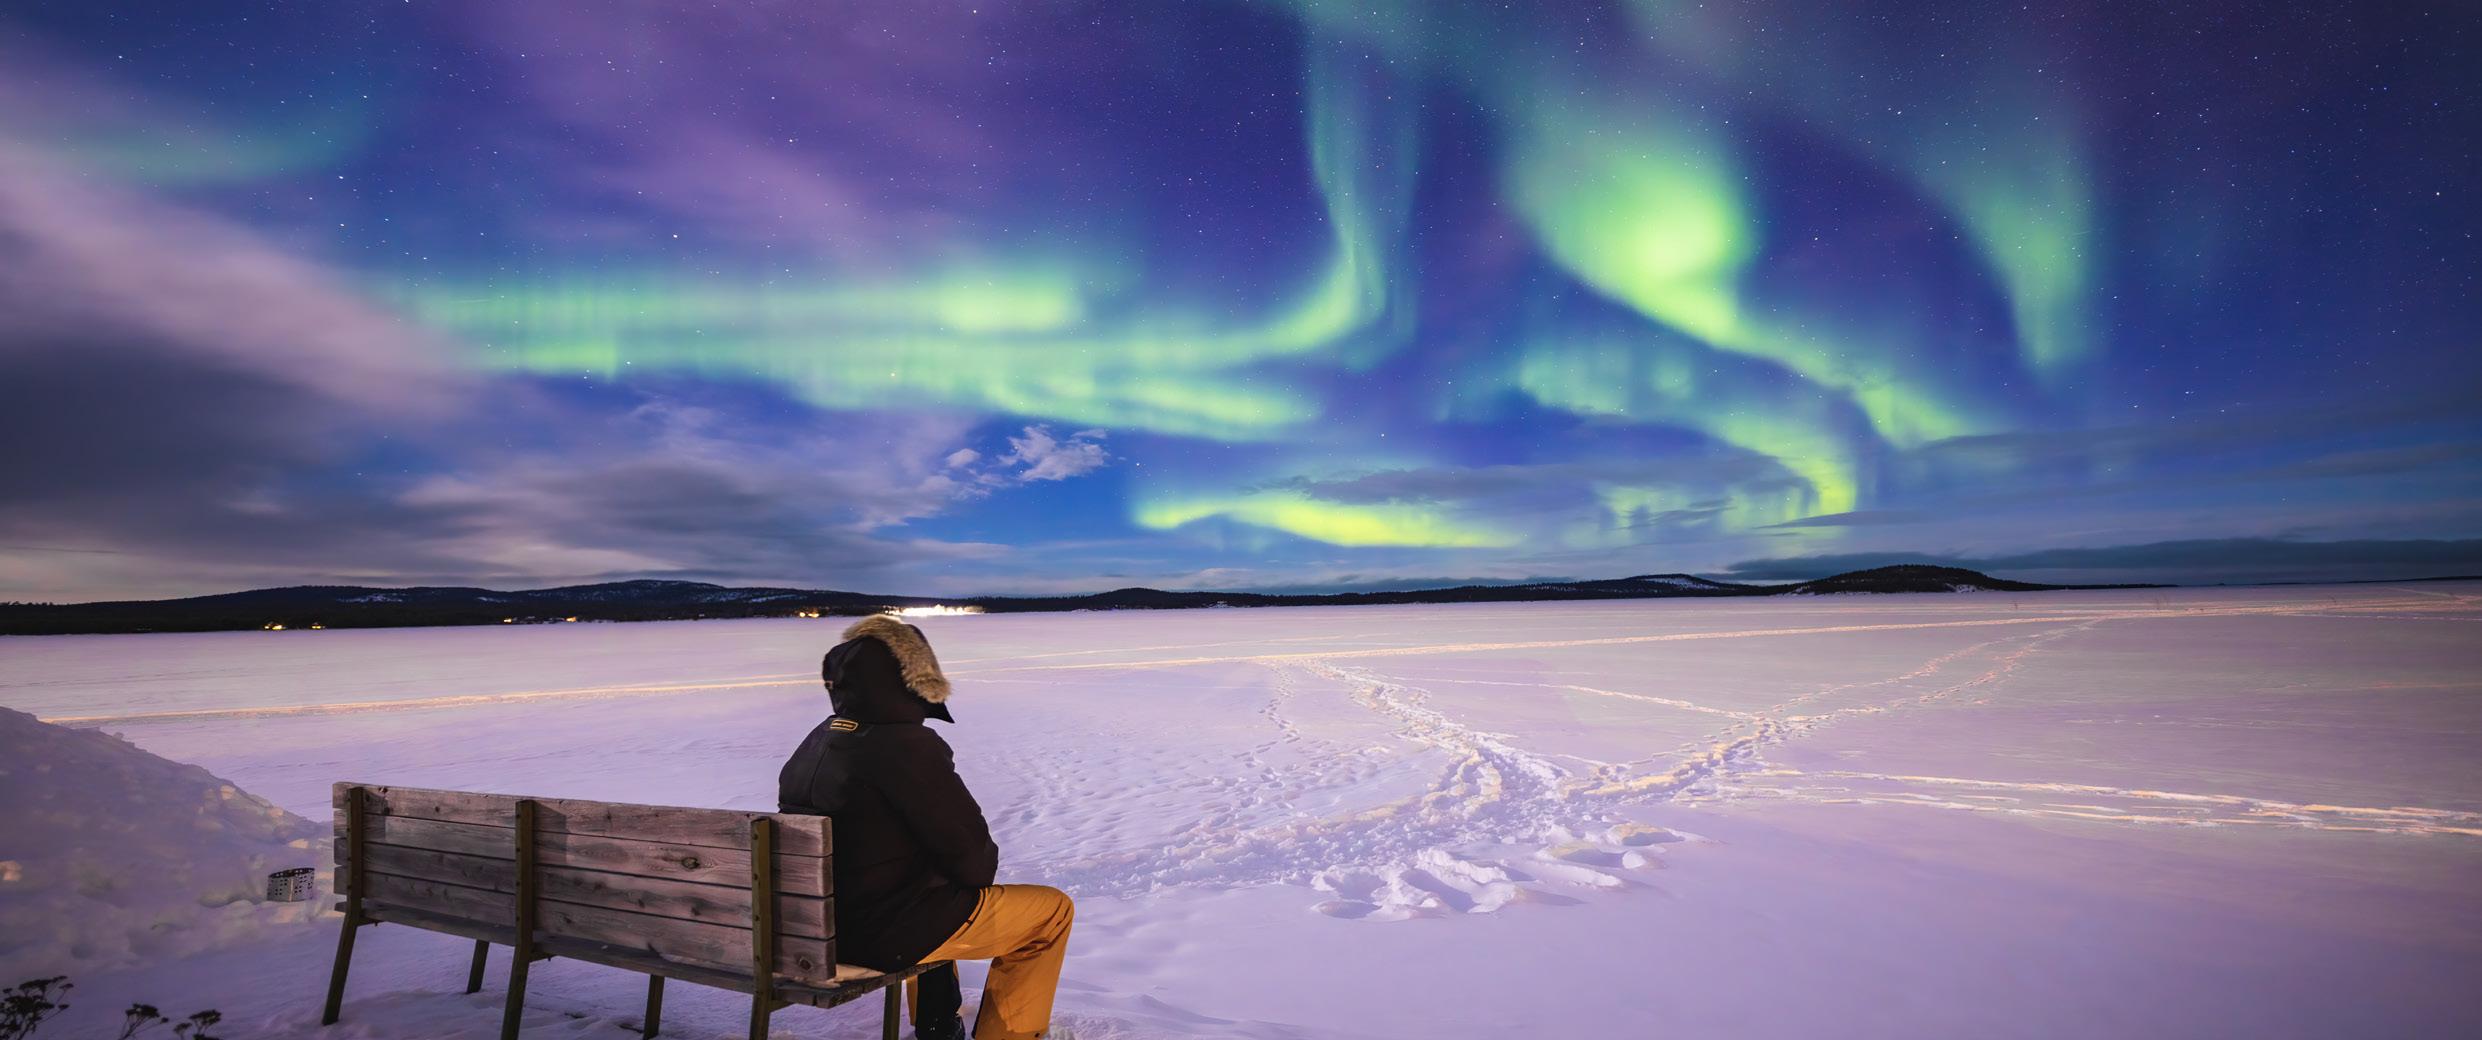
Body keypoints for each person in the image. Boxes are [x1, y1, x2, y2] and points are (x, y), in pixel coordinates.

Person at [777, 613, 1075, 1040]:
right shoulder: (905, 746)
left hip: (812, 926)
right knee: (1051, 914)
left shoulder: (817, 740)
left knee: (930, 893)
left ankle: (938, 1025)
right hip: (879, 935)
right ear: (913, 679)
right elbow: (973, 862)